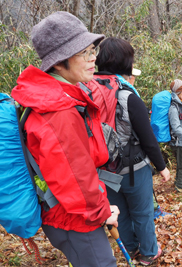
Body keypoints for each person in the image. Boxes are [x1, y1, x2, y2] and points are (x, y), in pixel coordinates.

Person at [11, 11, 119, 267]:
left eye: (93, 49)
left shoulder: (59, 97)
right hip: (75, 218)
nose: (93, 57)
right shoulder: (58, 110)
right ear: (58, 63)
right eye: (84, 52)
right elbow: (75, 178)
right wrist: (103, 212)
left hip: (69, 213)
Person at [94, 37, 170, 266]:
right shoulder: (127, 95)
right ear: (126, 62)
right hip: (134, 169)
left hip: (103, 170)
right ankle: (148, 253)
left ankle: (130, 248)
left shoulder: (86, 90)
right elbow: (148, 139)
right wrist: (162, 167)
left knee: (119, 213)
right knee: (143, 213)